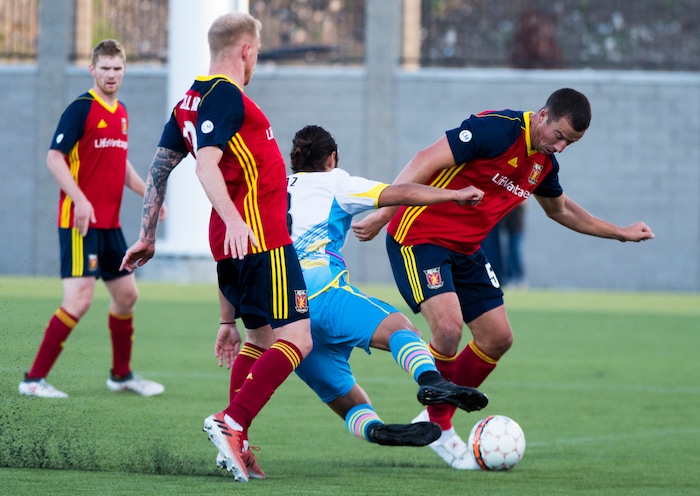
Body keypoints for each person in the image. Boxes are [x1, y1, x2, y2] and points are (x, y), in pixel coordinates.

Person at [352, 88, 655, 470]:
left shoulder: (543, 163)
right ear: (543, 115)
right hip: (419, 237)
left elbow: (561, 211)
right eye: (559, 136)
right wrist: (382, 213)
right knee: (448, 329)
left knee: (498, 338)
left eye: (570, 144)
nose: (560, 148)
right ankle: (440, 427)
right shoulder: (497, 129)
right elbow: (424, 159)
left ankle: (433, 418)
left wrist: (621, 232)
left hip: (466, 251)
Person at [119, 13, 313, 483]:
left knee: (257, 339)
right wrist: (235, 218)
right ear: (247, 50)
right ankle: (232, 422)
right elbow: (206, 166)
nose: (256, 61)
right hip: (261, 237)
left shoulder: (190, 98)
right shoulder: (226, 95)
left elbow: (160, 167)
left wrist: (147, 234)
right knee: (299, 340)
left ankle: (237, 444)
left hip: (235, 244)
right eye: (258, 53)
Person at [228, 125, 489, 450]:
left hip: (285, 316)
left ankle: (376, 430)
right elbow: (403, 193)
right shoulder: (336, 182)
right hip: (323, 294)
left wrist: (228, 319)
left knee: (345, 396)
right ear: (332, 158)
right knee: (401, 328)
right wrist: (455, 194)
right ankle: (431, 381)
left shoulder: (274, 187)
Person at [18, 40, 165, 399]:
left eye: (117, 69)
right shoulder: (80, 109)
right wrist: (80, 199)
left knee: (127, 295)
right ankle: (33, 380)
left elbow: (119, 165)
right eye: (105, 68)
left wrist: (150, 195)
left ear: (124, 70)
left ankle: (121, 375)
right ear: (93, 70)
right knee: (80, 300)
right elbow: (55, 158)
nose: (111, 75)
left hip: (110, 224)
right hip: (79, 222)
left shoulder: (122, 112)